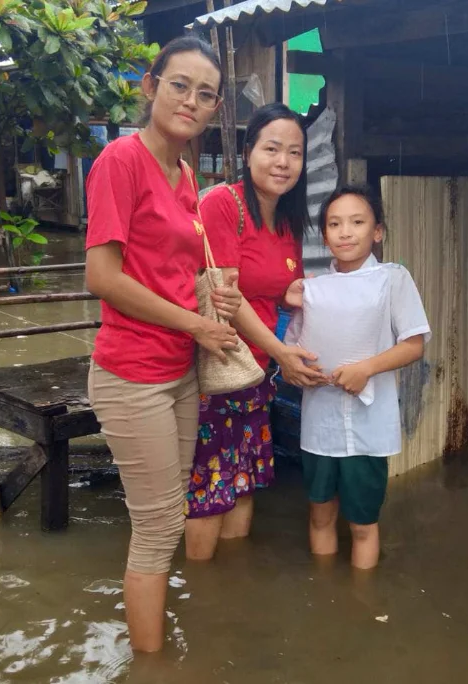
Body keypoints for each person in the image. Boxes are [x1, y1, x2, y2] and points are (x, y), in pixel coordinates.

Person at [84, 36, 243, 653]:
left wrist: (213, 302)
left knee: (169, 518)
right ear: (150, 87)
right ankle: (153, 667)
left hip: (177, 371)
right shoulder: (120, 161)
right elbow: (103, 277)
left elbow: (173, 270)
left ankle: (153, 647)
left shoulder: (183, 174)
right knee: (154, 529)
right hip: (132, 373)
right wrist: (196, 325)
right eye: (179, 85)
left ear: (214, 108)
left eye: (205, 94)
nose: (191, 101)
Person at [184, 103, 328, 561]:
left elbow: (266, 288)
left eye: (295, 152)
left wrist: (287, 296)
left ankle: (232, 593)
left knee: (243, 479)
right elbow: (227, 295)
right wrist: (283, 355)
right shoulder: (223, 203)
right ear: (248, 153)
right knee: (210, 484)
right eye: (271, 148)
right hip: (216, 368)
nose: (283, 162)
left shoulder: (286, 220)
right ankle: (203, 599)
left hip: (255, 374)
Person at [284, 185, 431, 570]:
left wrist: (366, 368)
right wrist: (297, 372)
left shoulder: (392, 279)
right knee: (320, 517)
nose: (345, 232)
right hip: (319, 424)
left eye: (357, 222)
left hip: (369, 427)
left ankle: (361, 608)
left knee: (364, 524)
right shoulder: (311, 290)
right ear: (325, 234)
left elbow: (414, 344)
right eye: (334, 224)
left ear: (377, 232)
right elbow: (292, 351)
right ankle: (329, 602)